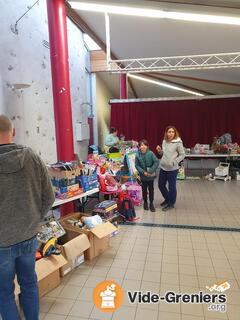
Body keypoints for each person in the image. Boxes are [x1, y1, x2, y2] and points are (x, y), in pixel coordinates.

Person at [0, 115, 55, 320]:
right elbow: (49, 197)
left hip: (2, 243)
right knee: (29, 284)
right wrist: (34, 219)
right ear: (13, 132)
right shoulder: (31, 156)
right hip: (29, 237)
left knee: (4, 292)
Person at [156, 126, 185, 212]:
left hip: (172, 169)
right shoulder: (164, 141)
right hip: (163, 168)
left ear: (175, 133)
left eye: (172, 132)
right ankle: (168, 199)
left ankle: (171, 203)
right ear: (166, 133)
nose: (171, 133)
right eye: (169, 131)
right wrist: (159, 151)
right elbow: (163, 154)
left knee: (172, 187)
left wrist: (174, 162)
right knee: (161, 185)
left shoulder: (178, 142)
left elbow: (182, 155)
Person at [135, 139, 159, 212]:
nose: (143, 146)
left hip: (150, 176)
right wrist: (143, 172)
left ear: (147, 146)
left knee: (151, 190)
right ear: (139, 147)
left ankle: (151, 203)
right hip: (143, 176)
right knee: (144, 190)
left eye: (144, 145)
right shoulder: (137, 155)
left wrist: (151, 170)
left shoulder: (151, 153)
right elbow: (137, 165)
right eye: (141, 145)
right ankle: (145, 202)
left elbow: (156, 162)